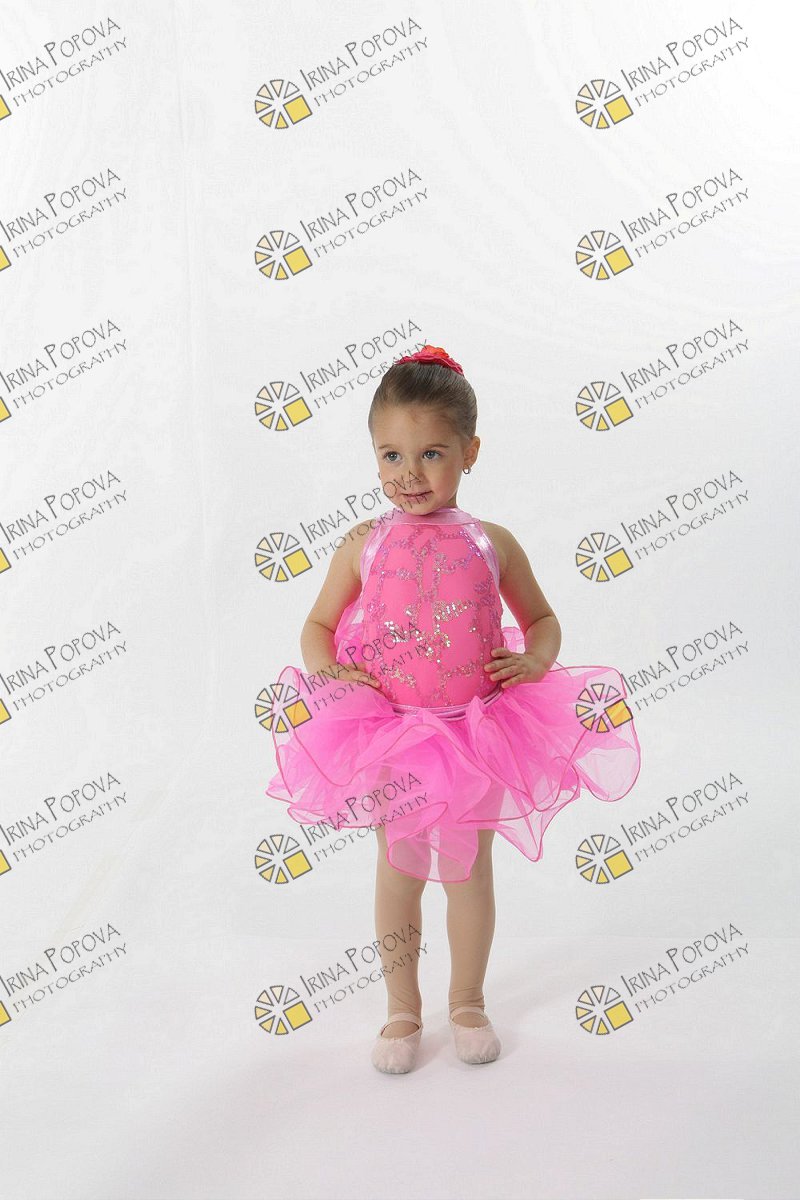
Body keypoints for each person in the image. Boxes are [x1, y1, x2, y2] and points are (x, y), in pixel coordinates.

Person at [264, 344, 641, 1074]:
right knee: (399, 868)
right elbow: (317, 626)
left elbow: (542, 620)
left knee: (468, 869)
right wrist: (329, 674)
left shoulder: (493, 543)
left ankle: (467, 999)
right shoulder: (362, 544)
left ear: (470, 451)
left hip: (479, 731)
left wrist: (535, 660)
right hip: (391, 734)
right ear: (374, 457)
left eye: (431, 454)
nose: (410, 474)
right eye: (392, 455)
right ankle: (402, 1009)